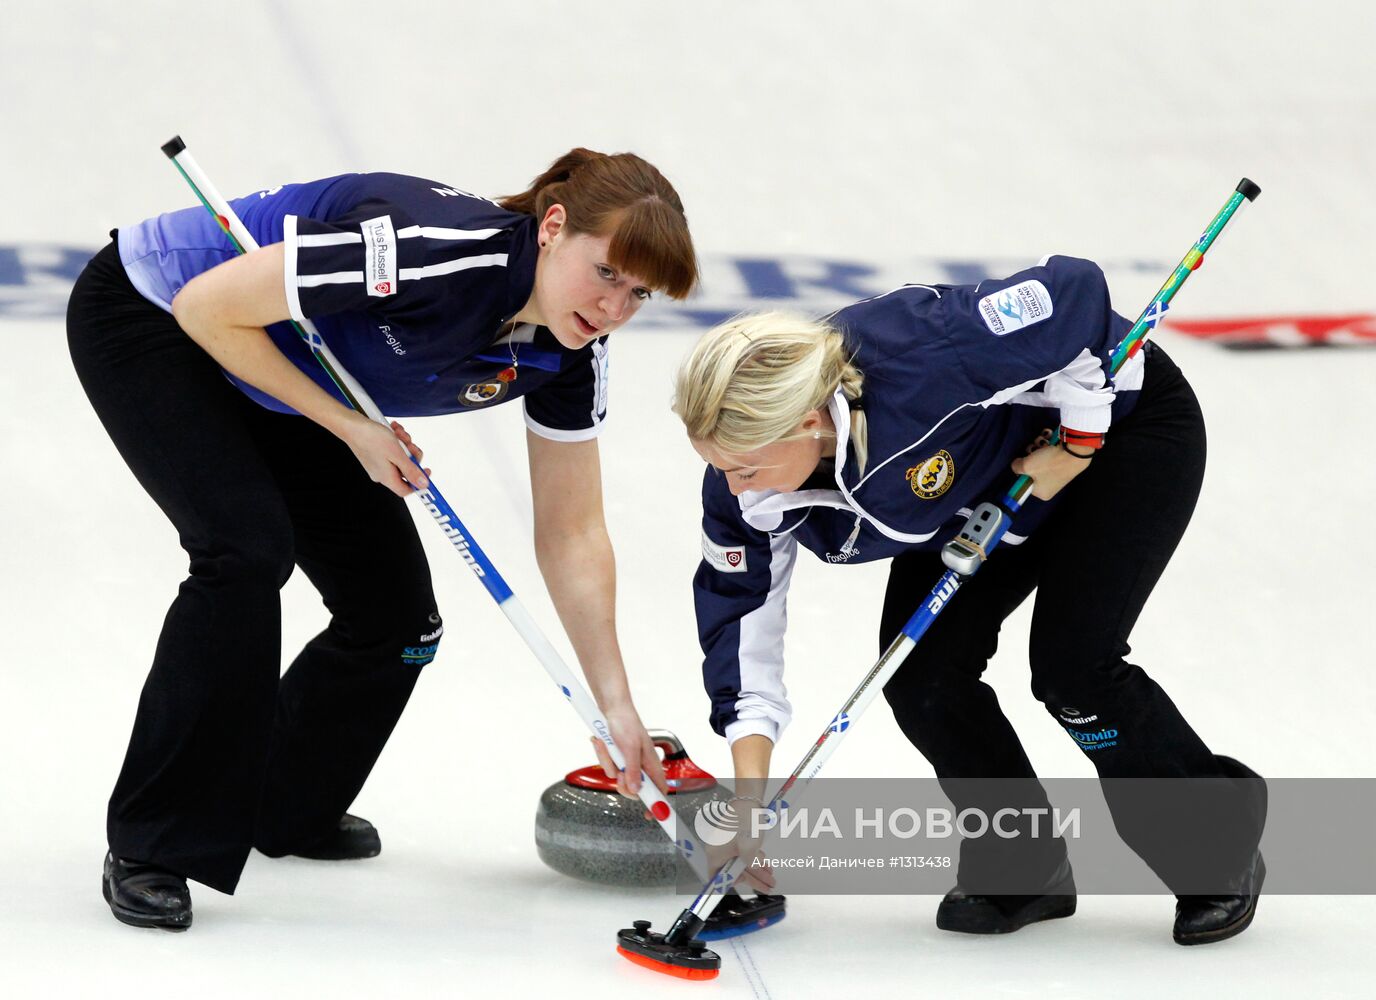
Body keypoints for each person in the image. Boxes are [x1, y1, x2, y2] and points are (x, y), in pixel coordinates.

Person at [67, 148, 698, 930]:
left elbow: (571, 531)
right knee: (243, 553)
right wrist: (348, 429)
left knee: (398, 618)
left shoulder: (570, 352)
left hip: (286, 372)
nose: (614, 310)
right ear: (554, 228)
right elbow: (206, 308)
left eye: (638, 294)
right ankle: (154, 844)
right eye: (606, 274)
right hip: (157, 318)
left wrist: (615, 706)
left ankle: (282, 806)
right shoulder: (431, 252)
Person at [672, 256, 1267, 945]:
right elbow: (744, 631)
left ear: (808, 422)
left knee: (1076, 670)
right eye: (717, 466)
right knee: (922, 678)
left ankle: (1212, 844)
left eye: (745, 466)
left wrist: (1078, 440)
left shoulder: (921, 350)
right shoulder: (743, 493)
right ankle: (1022, 863)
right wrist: (751, 800)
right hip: (990, 490)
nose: (736, 490)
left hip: (1123, 434)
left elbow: (1068, 295)